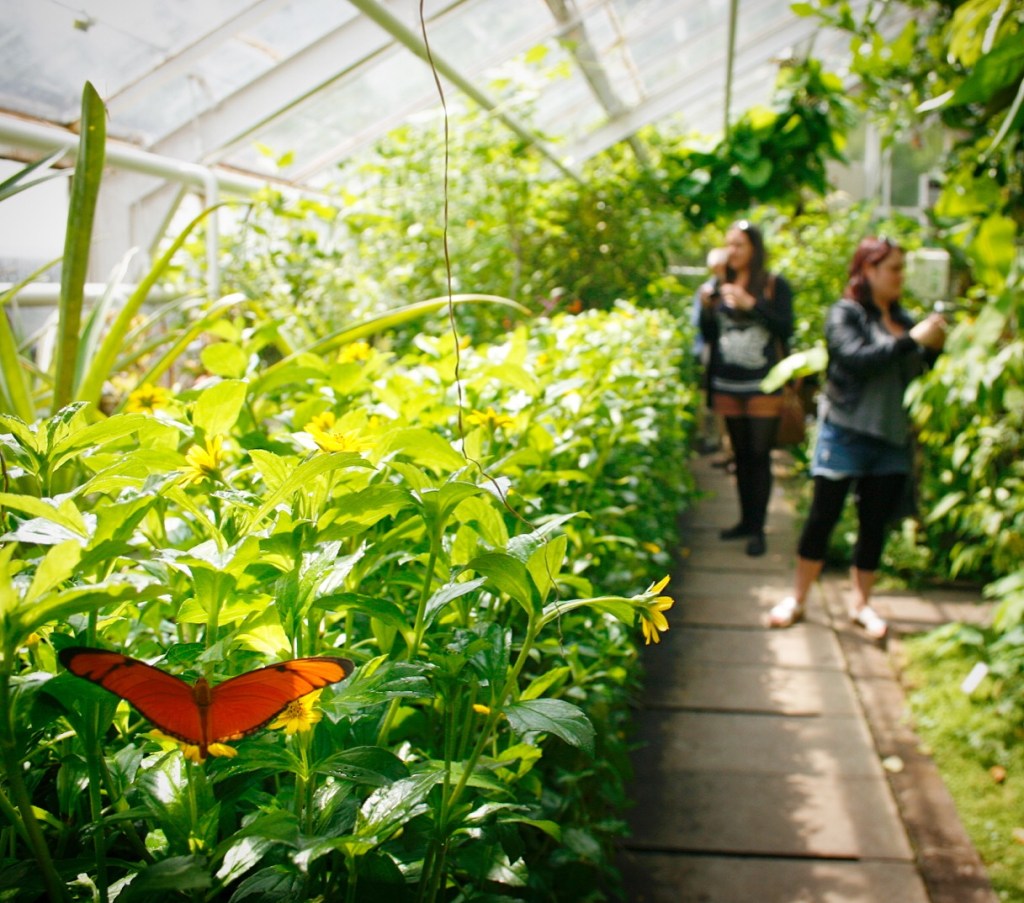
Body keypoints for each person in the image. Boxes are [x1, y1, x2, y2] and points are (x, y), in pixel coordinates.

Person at [765, 236, 946, 638]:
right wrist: (912, 340)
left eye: (902, 268)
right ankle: (798, 598)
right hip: (845, 433)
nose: (901, 276)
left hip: (892, 437)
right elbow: (856, 358)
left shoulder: (905, 319)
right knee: (823, 516)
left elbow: (918, 371)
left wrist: (933, 347)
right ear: (868, 270)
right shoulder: (845, 314)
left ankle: (861, 604)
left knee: (874, 523)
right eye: (893, 268)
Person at [699, 220, 794, 556]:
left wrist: (750, 304)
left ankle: (758, 529)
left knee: (758, 455)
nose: (732, 251)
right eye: (729, 244)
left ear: (755, 248)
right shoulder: (719, 283)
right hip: (727, 382)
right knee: (740, 456)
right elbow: (709, 334)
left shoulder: (773, 284)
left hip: (763, 384)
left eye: (739, 244)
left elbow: (786, 327)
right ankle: (744, 521)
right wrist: (707, 308)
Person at [692, 247, 729, 456]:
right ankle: (711, 439)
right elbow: (701, 328)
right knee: (710, 398)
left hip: (734, 355)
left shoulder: (737, 289)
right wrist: (707, 307)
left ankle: (726, 445)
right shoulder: (706, 290)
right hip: (712, 353)